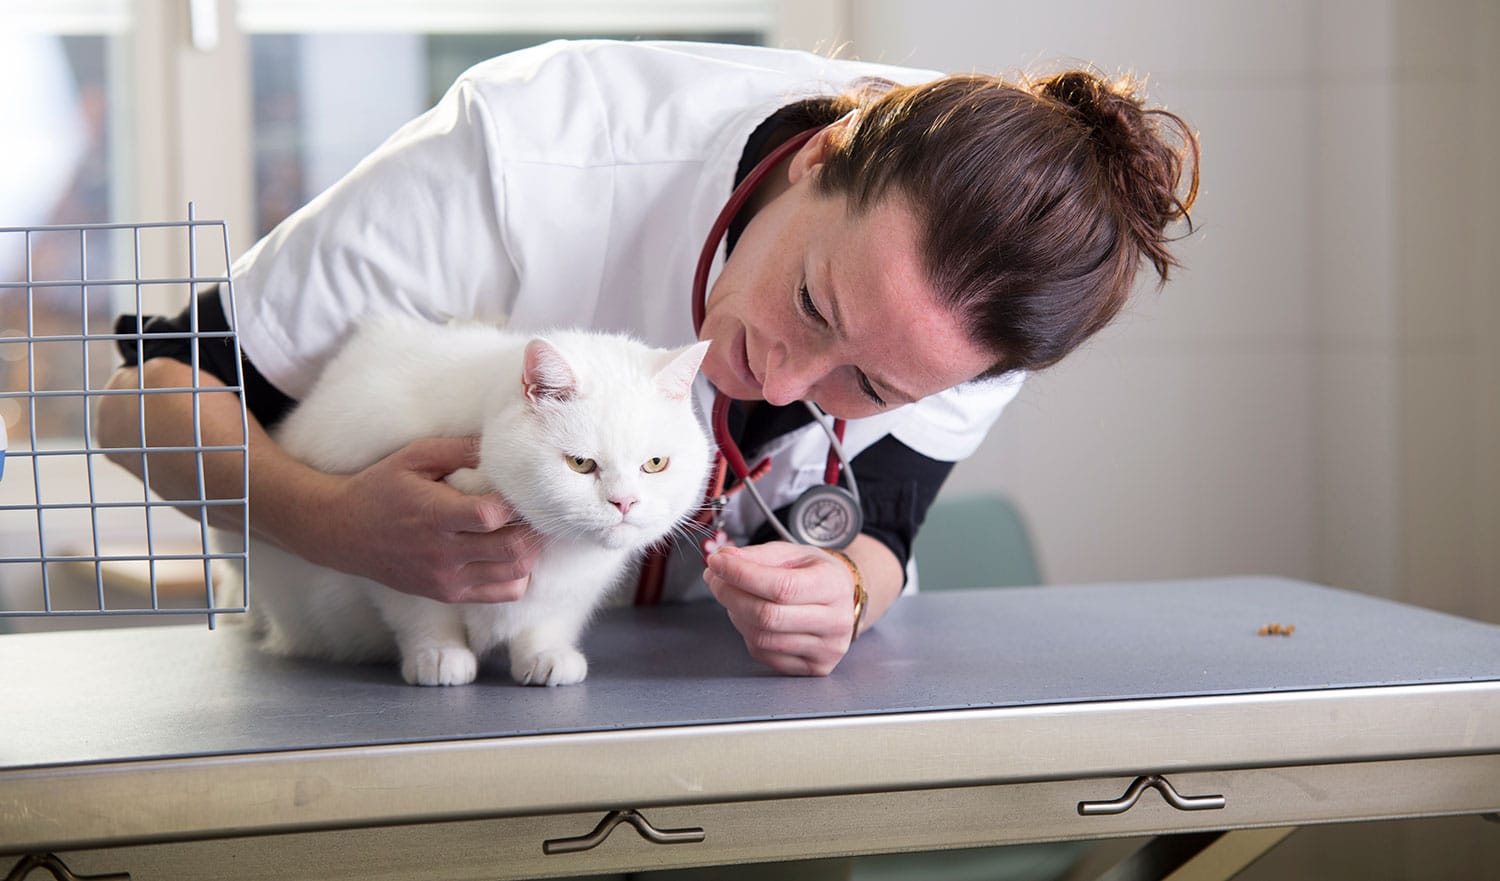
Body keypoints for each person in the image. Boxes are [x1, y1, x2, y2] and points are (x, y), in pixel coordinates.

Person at [98, 39, 1198, 678]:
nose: (783, 383)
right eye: (810, 301)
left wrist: (849, 592)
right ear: (818, 158)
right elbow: (139, 401)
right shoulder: (528, 151)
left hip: (699, 709)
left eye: (869, 387)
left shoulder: (990, 310)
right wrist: (335, 522)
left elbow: (882, 528)